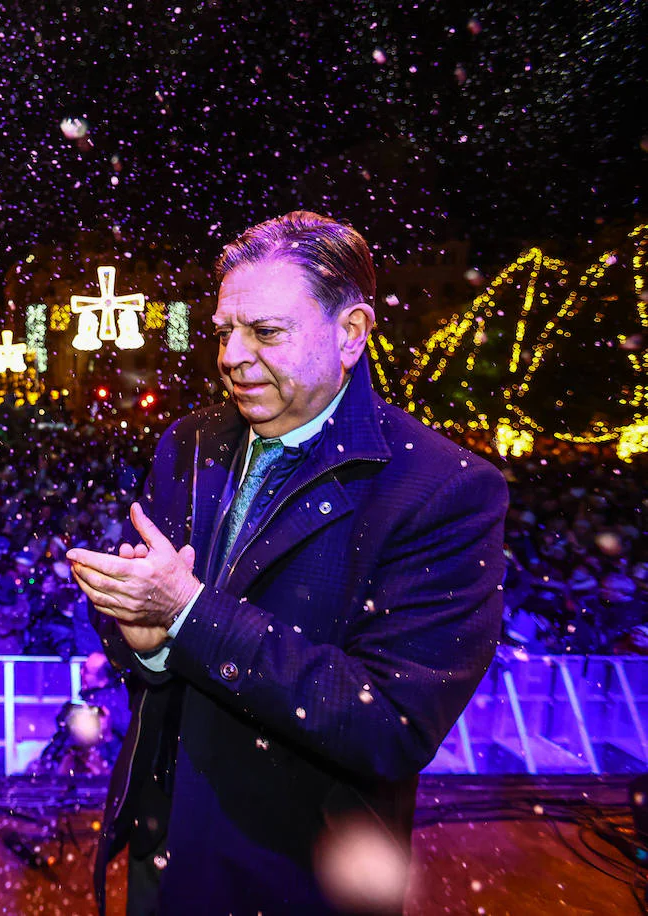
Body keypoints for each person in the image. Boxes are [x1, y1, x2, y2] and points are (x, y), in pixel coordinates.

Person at [68, 211, 507, 916]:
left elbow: (389, 724)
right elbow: (142, 613)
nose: (231, 357)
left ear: (352, 333)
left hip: (300, 875)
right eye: (223, 331)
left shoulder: (442, 490)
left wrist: (186, 615)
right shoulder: (189, 444)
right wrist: (143, 645)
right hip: (165, 849)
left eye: (266, 332)